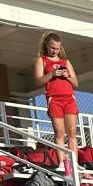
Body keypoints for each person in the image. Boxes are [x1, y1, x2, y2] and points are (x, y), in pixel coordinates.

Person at [34, 33, 79, 172]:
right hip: (54, 99)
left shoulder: (66, 62)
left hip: (69, 98)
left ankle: (74, 163)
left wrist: (67, 76)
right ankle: (62, 162)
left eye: (57, 48)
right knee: (59, 133)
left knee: (72, 133)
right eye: (52, 48)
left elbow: (76, 83)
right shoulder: (42, 60)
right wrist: (51, 74)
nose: (55, 51)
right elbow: (38, 80)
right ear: (47, 46)